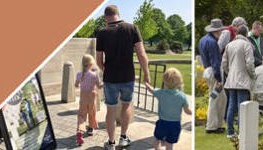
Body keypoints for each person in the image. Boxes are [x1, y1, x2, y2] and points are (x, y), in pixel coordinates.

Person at [94, 5, 153, 149]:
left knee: (111, 110)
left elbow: (98, 60)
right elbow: (141, 54)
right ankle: (123, 137)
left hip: (110, 78)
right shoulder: (132, 28)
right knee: (126, 105)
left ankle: (111, 142)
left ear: (105, 17)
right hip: (128, 76)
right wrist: (146, 73)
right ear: (118, 14)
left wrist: (106, 70)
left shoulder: (101, 33)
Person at [221, 25, 255, 138]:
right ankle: (242, 132)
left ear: (236, 33)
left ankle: (230, 132)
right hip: (243, 79)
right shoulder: (247, 45)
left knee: (231, 105)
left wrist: (229, 73)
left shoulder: (229, 45)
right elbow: (249, 64)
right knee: (242, 106)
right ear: (246, 34)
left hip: (231, 79)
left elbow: (224, 64)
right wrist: (253, 75)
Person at [148, 68, 193, 150]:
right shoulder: (182, 96)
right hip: (175, 124)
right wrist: (192, 112)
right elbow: (187, 111)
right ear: (179, 82)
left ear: (164, 81)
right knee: (169, 144)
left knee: (156, 139)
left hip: (162, 122)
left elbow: (151, 90)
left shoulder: (161, 93)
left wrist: (146, 83)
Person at [199, 18, 227, 134]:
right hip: (213, 72)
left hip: (207, 70)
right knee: (215, 99)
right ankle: (211, 126)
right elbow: (215, 61)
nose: (221, 33)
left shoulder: (203, 40)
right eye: (221, 31)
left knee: (220, 98)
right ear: (217, 30)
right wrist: (219, 79)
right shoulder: (212, 42)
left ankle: (217, 124)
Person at [75, 54, 102, 146]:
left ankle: (80, 131)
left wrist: (81, 84)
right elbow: (99, 86)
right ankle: (90, 129)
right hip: (91, 97)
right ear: (91, 64)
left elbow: (76, 85)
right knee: (91, 113)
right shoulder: (94, 75)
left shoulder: (79, 74)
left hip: (83, 98)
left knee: (81, 115)